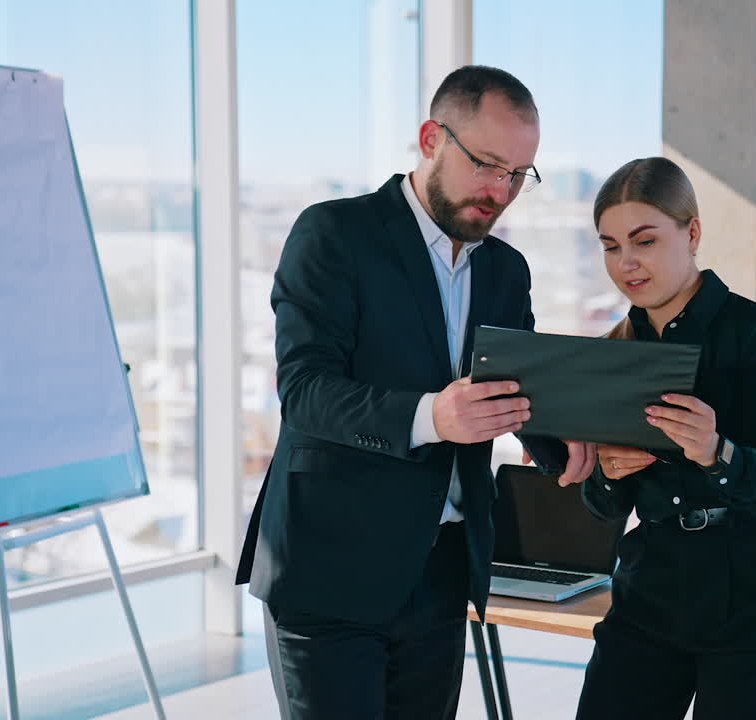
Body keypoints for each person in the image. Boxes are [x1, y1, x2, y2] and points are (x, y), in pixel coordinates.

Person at [235, 65, 597, 720]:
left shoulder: (505, 269)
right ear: (432, 138)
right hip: (330, 572)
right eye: (488, 164)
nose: (500, 190)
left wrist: (564, 442)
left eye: (518, 174)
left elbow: (520, 389)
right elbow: (306, 392)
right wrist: (434, 416)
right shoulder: (335, 235)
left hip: (440, 573)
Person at [572, 157, 756, 719]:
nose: (626, 262)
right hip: (651, 598)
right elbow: (599, 504)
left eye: (644, 240)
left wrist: (716, 452)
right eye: (611, 246)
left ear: (691, 233)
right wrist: (610, 475)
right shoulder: (611, 353)